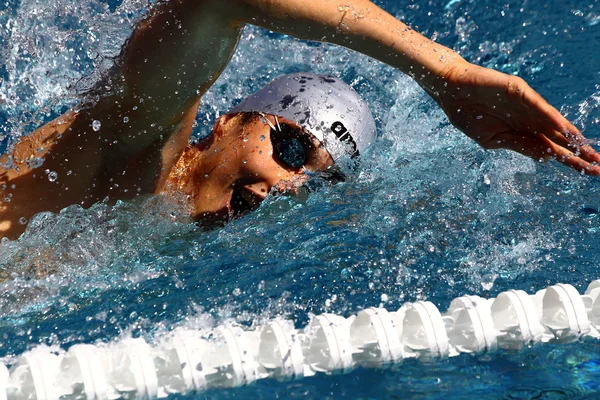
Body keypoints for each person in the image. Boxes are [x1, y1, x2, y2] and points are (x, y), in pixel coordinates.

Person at [0, 0, 598, 241]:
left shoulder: (175, 227)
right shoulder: (133, 153)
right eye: (289, 149)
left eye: (315, 179)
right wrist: (445, 72)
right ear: (229, 123)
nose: (288, 184)